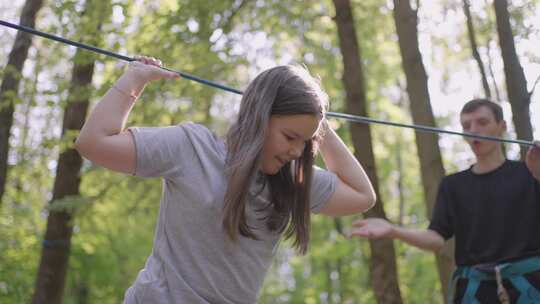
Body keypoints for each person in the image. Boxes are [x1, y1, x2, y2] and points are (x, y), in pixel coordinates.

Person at [75, 56, 376, 303]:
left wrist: (317, 122)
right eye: (289, 137)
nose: (297, 151)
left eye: (305, 142)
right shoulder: (192, 148)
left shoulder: (292, 180)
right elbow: (93, 143)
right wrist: (134, 79)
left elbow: (363, 196)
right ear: (260, 116)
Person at [350, 99, 540, 303]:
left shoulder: (531, 174)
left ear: (502, 126)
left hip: (531, 287)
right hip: (474, 292)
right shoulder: (453, 185)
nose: (473, 130)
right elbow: (436, 238)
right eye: (466, 125)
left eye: (482, 122)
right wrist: (392, 230)